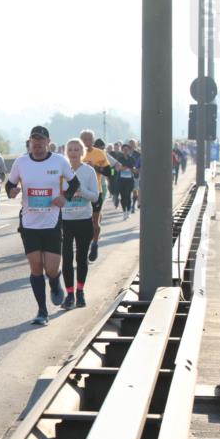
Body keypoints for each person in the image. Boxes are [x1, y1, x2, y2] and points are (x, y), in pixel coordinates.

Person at [6, 125, 81, 326]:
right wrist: (12, 191)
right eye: (34, 141)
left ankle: (55, 281)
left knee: (51, 267)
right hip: (29, 223)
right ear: (30, 142)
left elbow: (74, 183)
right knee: (36, 266)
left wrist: (64, 197)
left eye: (41, 141)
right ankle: (42, 311)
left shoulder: (59, 161)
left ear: (48, 142)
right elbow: (10, 184)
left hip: (51, 222)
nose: (37, 144)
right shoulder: (21, 162)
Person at [60, 139, 101, 309]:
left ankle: (80, 292)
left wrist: (81, 191)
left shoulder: (88, 171)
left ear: (81, 152)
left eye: (77, 149)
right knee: (67, 259)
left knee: (81, 258)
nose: (74, 152)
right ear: (66, 152)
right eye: (70, 149)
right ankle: (69, 294)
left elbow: (96, 197)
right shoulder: (61, 172)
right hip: (66, 221)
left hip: (84, 220)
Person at [78, 129, 115, 262]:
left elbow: (110, 172)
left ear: (93, 141)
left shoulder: (99, 153)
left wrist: (96, 168)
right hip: (79, 194)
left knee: (95, 221)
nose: (86, 142)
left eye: (89, 139)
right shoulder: (75, 153)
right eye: (84, 139)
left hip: (96, 191)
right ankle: (84, 246)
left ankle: (94, 244)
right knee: (82, 223)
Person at [113, 143, 137, 219]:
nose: (126, 151)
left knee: (128, 195)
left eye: (127, 150)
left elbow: (135, 169)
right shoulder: (119, 159)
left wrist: (131, 169)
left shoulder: (132, 159)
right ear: (122, 150)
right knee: (123, 197)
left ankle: (129, 210)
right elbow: (115, 169)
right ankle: (124, 211)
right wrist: (121, 168)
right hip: (121, 180)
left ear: (129, 150)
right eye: (124, 150)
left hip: (129, 180)